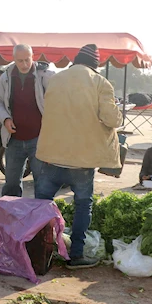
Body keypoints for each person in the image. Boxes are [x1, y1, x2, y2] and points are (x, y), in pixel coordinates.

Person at [35, 44, 123, 269]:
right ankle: (75, 255)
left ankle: (36, 253)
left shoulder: (55, 79)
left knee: (41, 206)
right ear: (95, 64)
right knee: (83, 205)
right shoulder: (100, 83)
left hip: (51, 155)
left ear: (76, 60)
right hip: (81, 161)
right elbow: (112, 119)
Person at [0, 44, 55, 197]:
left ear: (33, 57)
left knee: (42, 184)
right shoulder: (6, 77)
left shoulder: (45, 76)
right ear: (13, 59)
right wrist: (5, 119)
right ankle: (11, 216)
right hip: (14, 139)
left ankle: (42, 219)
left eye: (27, 60)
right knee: (11, 184)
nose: (25, 64)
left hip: (39, 139)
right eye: (20, 61)